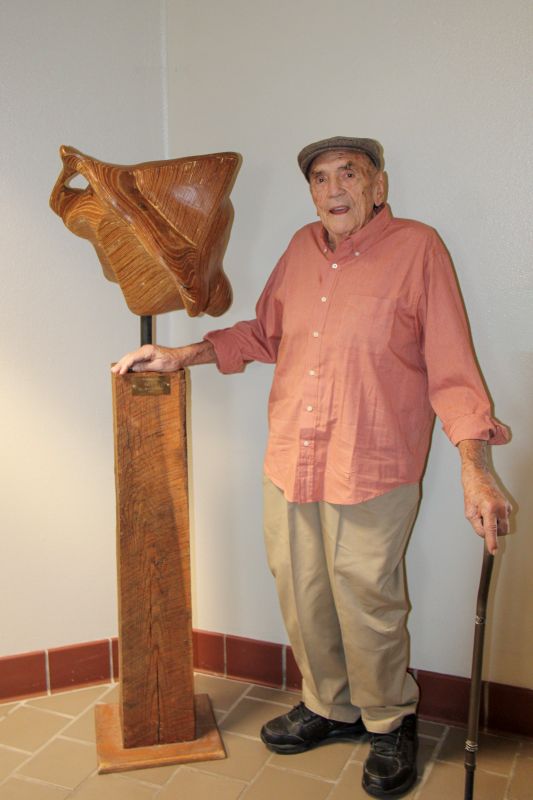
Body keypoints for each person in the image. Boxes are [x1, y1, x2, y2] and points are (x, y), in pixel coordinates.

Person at [112, 136, 511, 799]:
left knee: (369, 601)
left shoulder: (418, 250)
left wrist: (474, 466)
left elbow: (451, 368)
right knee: (301, 590)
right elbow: (263, 334)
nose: (333, 189)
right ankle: (330, 707)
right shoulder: (299, 249)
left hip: (374, 461)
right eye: (320, 178)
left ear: (377, 187)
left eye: (348, 175)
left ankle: (388, 720)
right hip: (292, 456)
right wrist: (181, 356)